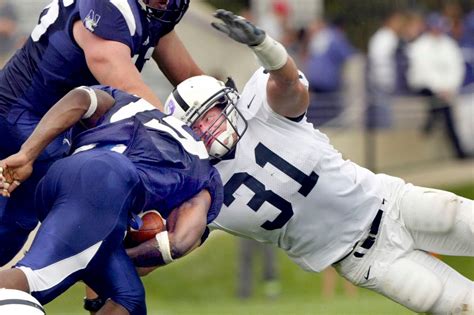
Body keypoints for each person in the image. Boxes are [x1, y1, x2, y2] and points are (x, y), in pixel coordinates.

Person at [162, 10, 472, 314]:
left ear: (228, 100)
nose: (210, 128)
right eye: (197, 125)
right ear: (185, 138)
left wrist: (265, 47)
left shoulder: (262, 110)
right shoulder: (202, 188)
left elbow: (288, 85)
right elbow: (176, 239)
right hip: (366, 259)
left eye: (211, 113)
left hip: (391, 203)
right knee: (459, 304)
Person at [0, 0, 203, 267]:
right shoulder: (108, 7)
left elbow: (192, 81)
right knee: (19, 222)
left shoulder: (153, 15)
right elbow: (128, 88)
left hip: (57, 121)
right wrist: (184, 142)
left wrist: (222, 111)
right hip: (24, 114)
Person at [0, 84, 225, 314]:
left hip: (60, 179)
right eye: (208, 118)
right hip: (105, 185)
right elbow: (178, 242)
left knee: (128, 299)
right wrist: (111, 254)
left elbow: (81, 98)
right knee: (32, 281)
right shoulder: (205, 172)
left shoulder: (136, 105)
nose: (219, 125)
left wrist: (28, 154)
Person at [406, 12, 468, 159]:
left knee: (445, 109)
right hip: (426, 87)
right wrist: (440, 89)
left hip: (446, 90)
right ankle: (458, 150)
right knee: (445, 111)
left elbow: (456, 68)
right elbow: (425, 72)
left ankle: (430, 123)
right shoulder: (420, 46)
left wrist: (450, 88)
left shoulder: (448, 44)